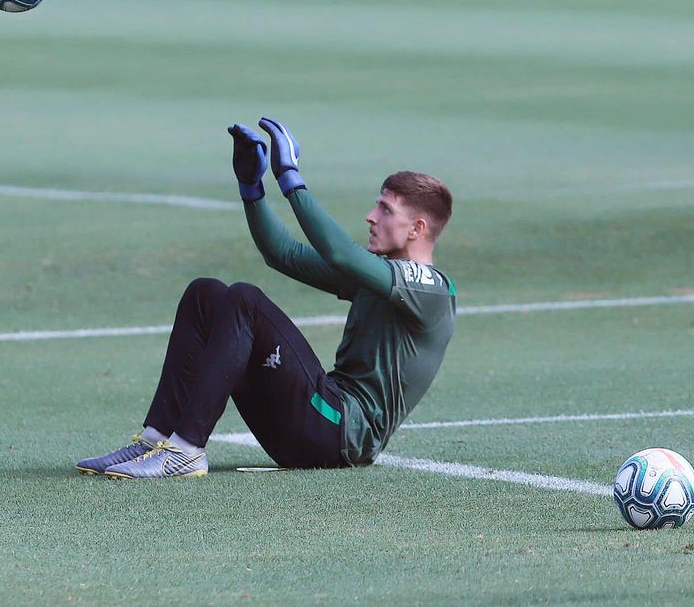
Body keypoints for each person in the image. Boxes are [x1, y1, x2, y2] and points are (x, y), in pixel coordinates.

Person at [75, 117, 455, 478]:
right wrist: (251, 187)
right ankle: (156, 439)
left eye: (386, 210)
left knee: (246, 300)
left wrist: (291, 179)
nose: (371, 216)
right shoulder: (382, 274)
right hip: (311, 424)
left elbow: (341, 254)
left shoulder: (431, 289)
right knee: (205, 295)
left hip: (340, 434)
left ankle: (186, 451)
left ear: (417, 228)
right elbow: (283, 253)